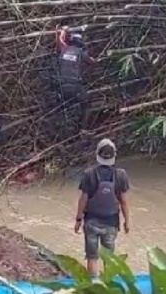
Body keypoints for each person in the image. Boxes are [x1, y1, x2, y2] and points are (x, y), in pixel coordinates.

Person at [74, 138, 130, 277]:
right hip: (111, 223)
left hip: (91, 221)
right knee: (109, 258)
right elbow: (123, 201)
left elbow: (83, 199)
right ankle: (107, 287)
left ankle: (94, 286)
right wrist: (127, 221)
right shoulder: (121, 175)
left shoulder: (89, 174)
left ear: (97, 155)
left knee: (92, 257)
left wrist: (78, 219)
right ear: (114, 156)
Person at [55, 26, 96, 134]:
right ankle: (83, 129)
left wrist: (62, 31)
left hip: (61, 87)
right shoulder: (80, 52)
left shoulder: (63, 49)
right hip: (75, 87)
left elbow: (59, 40)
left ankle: (61, 130)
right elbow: (91, 62)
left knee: (63, 107)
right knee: (86, 104)